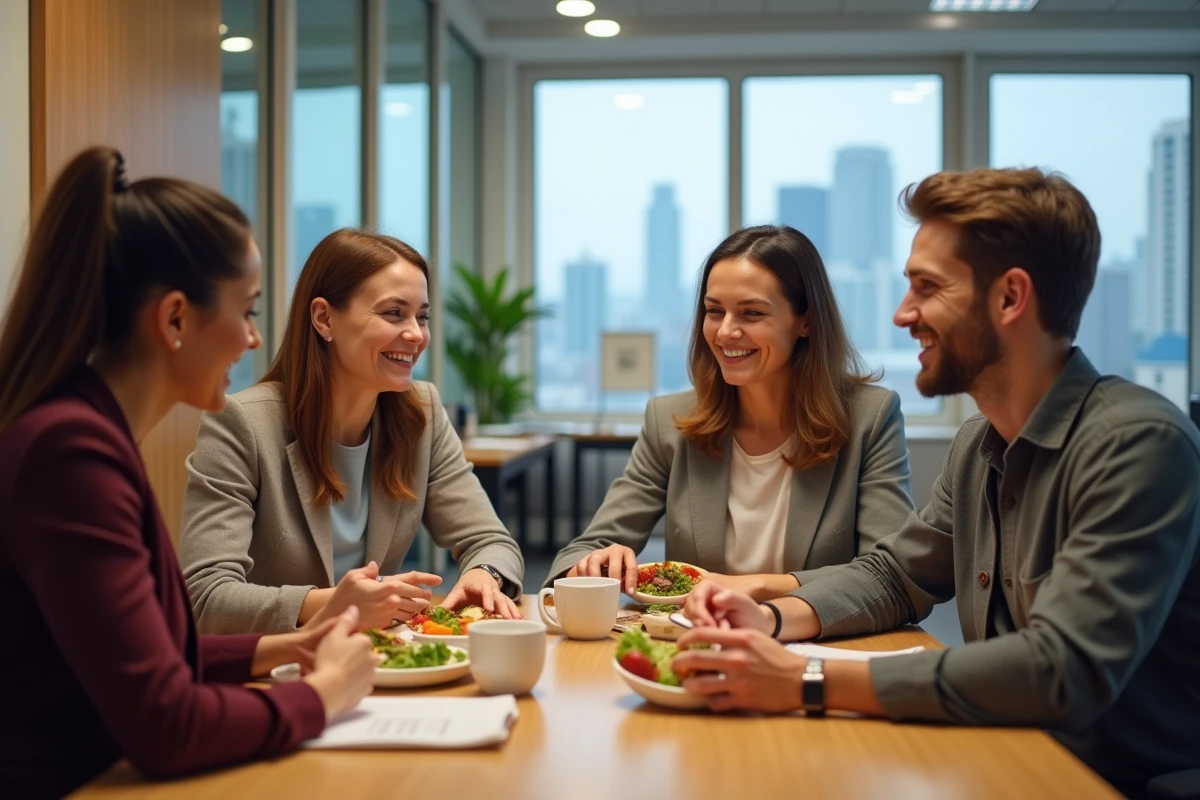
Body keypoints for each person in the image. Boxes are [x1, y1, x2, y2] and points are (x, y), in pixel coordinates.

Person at [675, 167, 1200, 796]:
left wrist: (803, 680)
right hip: (1001, 756)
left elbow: (1060, 669)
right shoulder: (979, 445)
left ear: (1010, 298)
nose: (904, 314)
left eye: (927, 288)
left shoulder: (1137, 443)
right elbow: (893, 576)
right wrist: (768, 619)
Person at [0, 148, 376, 798]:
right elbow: (165, 722)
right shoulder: (71, 452)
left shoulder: (89, 430)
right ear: (175, 318)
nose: (253, 339)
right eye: (248, 310)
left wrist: (290, 646)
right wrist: (322, 695)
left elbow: (145, 656)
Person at [180, 229, 525, 635]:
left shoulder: (422, 413)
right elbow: (204, 597)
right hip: (278, 663)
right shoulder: (242, 423)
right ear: (324, 318)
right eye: (394, 313)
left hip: (377, 657)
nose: (416, 334)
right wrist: (330, 605)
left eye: (422, 316)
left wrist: (484, 573)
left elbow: (491, 540)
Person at [547, 225, 915, 600]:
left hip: (817, 636)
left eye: (751, 313)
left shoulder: (870, 418)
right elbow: (582, 551)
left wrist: (755, 586)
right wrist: (596, 563)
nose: (725, 332)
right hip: (697, 635)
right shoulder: (669, 421)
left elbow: (893, 576)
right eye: (714, 311)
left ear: (806, 321)